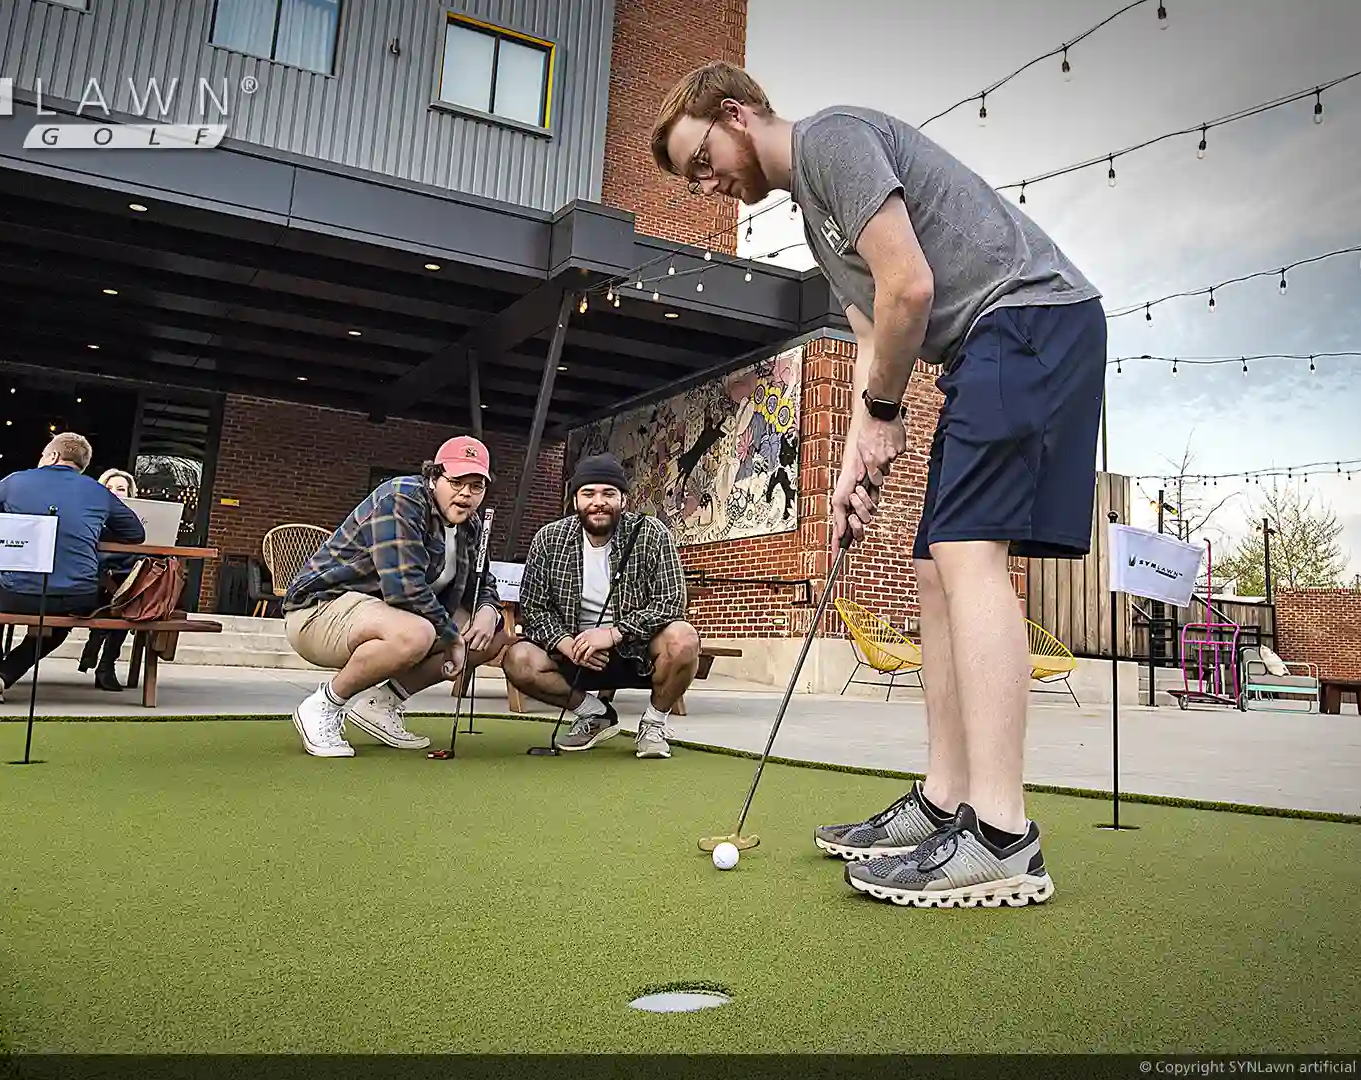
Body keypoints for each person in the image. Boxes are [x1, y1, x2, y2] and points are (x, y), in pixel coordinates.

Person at [651, 64, 1106, 907]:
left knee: (968, 554)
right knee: (935, 564)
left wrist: (885, 410)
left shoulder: (830, 140)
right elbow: (872, 332)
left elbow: (912, 288)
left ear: (739, 115)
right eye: (691, 178)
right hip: (987, 345)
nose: (706, 184)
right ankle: (944, 804)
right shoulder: (818, 223)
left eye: (702, 159)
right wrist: (859, 447)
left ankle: (1002, 835)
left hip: (1030, 319)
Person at [282, 436, 511, 757]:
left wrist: (488, 610)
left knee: (493, 636)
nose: (466, 494)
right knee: (418, 633)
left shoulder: (469, 525)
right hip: (319, 612)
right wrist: (452, 638)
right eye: (456, 482)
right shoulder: (401, 497)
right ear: (433, 478)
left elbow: (482, 582)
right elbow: (403, 587)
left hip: (387, 618)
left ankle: (380, 705)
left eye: (476, 486)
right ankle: (322, 706)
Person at [500, 453, 697, 759]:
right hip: (574, 655)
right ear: (575, 500)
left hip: (637, 651)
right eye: (588, 493)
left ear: (624, 500)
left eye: (609, 493)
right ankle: (595, 714)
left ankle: (654, 724)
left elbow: (670, 602)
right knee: (517, 658)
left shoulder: (651, 533)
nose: (598, 501)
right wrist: (565, 643)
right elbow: (534, 607)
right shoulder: (548, 539)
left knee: (684, 638)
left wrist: (613, 634)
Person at [0, 433, 146, 703]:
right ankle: (3, 676)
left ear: (52, 456)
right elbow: (135, 533)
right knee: (59, 621)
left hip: (16, 591)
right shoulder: (98, 491)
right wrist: (90, 529)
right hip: (78, 595)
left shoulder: (17, 480)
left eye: (42, 455)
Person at [77, 467, 139, 692]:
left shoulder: (138, 525)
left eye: (121, 489)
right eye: (108, 488)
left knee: (126, 599)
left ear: (130, 494)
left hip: (123, 587)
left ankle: (104, 662)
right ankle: (103, 663)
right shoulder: (87, 516)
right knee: (119, 601)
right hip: (90, 584)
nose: (114, 492)